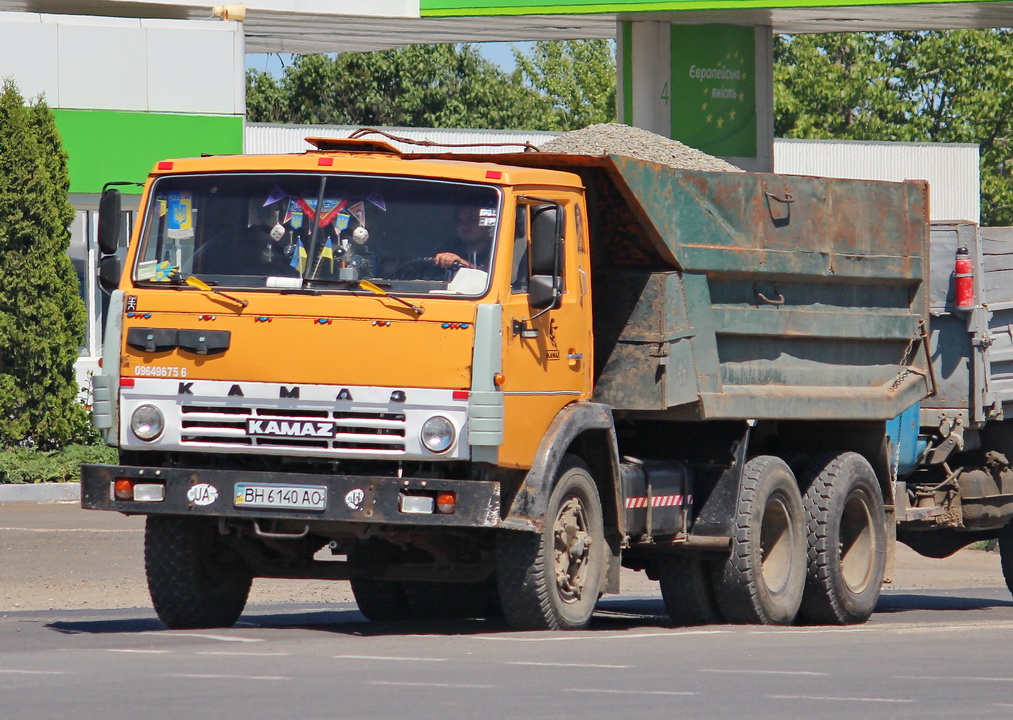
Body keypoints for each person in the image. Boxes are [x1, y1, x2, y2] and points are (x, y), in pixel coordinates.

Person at [433, 205, 494, 271]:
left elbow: (494, 277)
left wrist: (463, 264)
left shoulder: (496, 250)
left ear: (487, 224)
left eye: (472, 220)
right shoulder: (448, 248)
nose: (465, 226)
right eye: (460, 221)